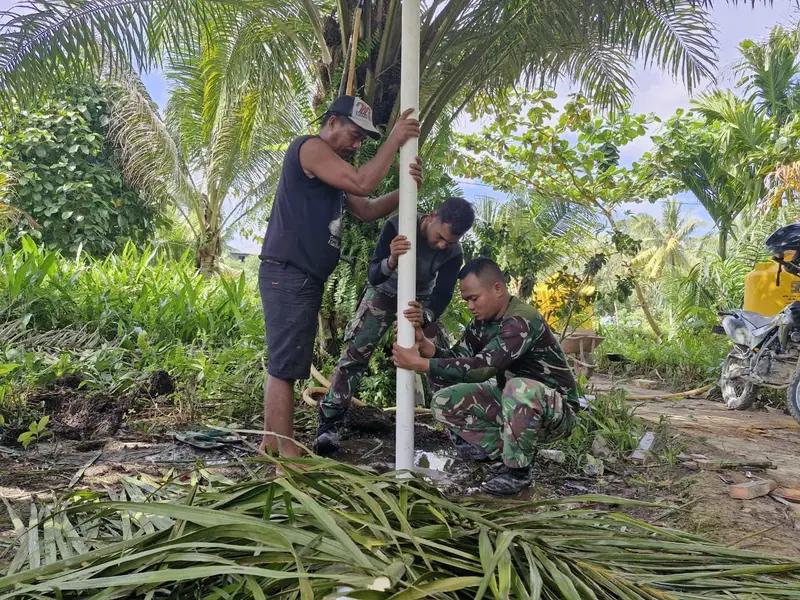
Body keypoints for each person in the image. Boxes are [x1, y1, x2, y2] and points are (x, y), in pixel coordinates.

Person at [258, 95, 422, 457]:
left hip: (300, 275)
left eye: (364, 139)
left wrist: (406, 190)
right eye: (354, 134)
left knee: (285, 362)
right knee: (285, 366)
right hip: (289, 271)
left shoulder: (331, 173)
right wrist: (395, 140)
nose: (358, 144)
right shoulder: (311, 148)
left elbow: (365, 209)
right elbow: (363, 183)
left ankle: (271, 443)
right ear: (332, 121)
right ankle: (287, 454)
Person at [392, 257, 579, 495]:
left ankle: (517, 474)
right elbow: (458, 357)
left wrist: (420, 363)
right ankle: (498, 458)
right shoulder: (480, 324)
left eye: (474, 298)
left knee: (518, 387)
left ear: (498, 289)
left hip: (556, 412)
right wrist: (425, 345)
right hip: (512, 402)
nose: (470, 306)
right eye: (466, 300)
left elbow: (482, 368)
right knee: (444, 400)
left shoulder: (521, 320)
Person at [314, 197, 476, 455]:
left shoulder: (454, 254)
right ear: (433, 215)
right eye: (440, 237)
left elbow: (444, 293)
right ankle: (329, 425)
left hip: (419, 303)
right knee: (355, 355)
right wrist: (391, 260)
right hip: (383, 291)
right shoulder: (398, 225)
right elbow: (373, 274)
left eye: (450, 242)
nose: (442, 245)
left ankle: (459, 433)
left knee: (438, 361)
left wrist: (427, 315)